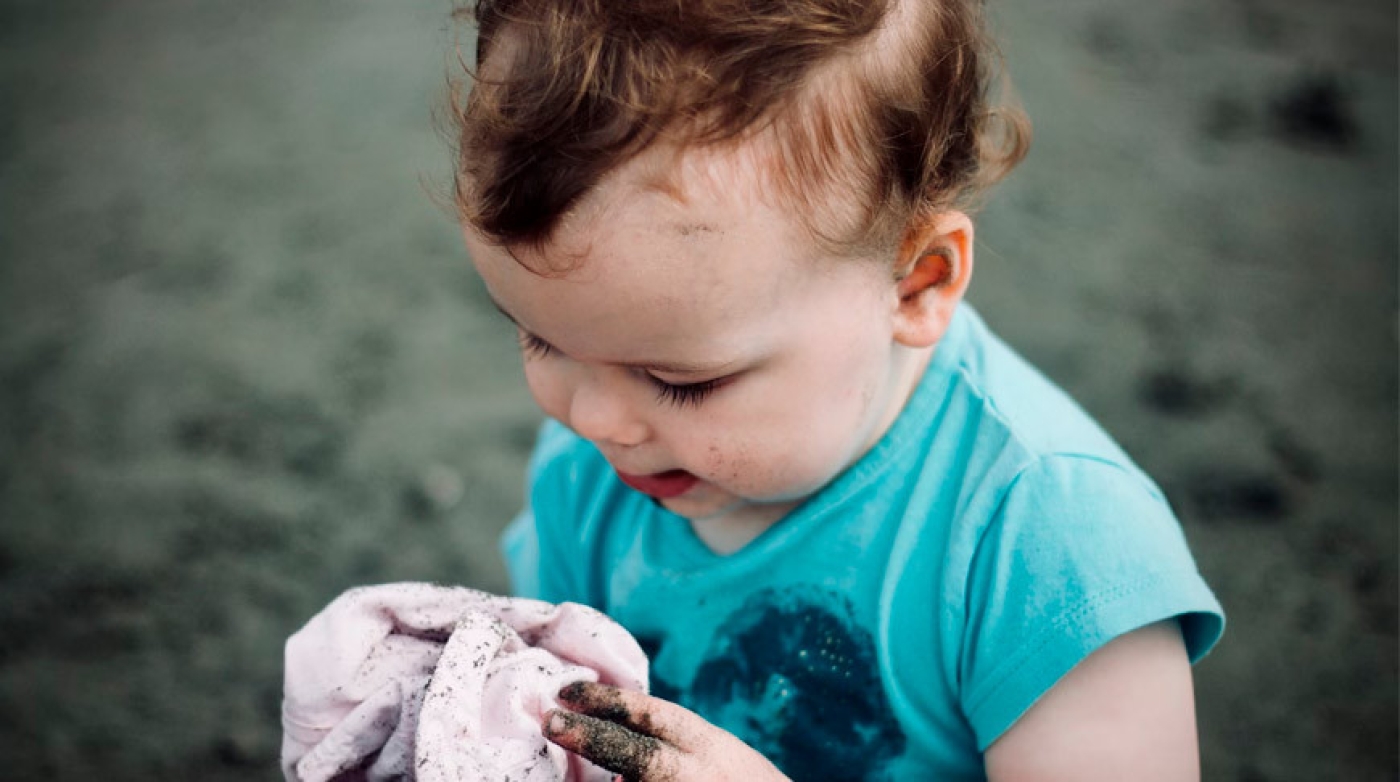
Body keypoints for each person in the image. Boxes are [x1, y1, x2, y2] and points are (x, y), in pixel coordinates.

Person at [450, 1, 1225, 779]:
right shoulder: (593, 472)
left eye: (681, 381)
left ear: (917, 284)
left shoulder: (1051, 551)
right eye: (543, 338)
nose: (594, 419)